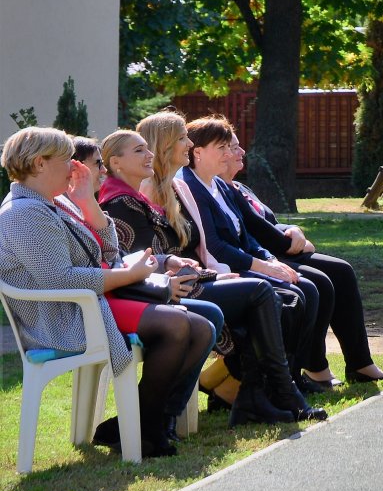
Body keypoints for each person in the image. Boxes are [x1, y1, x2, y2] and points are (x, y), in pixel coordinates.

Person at [0, 127, 214, 458]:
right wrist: (126, 275)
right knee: (178, 326)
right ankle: (146, 428)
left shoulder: (54, 203)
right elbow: (62, 280)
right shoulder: (24, 214)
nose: (74, 166)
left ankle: (141, 424)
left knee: (200, 327)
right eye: (65, 159)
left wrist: (86, 200)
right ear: (40, 164)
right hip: (65, 318)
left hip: (90, 303)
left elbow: (109, 249)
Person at [103, 119, 318, 423]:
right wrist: (214, 274)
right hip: (169, 291)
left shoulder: (167, 188)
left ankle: (258, 394)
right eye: (182, 139)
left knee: (285, 295)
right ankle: (272, 392)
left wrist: (217, 273)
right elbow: (148, 260)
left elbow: (191, 249)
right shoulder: (124, 201)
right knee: (262, 293)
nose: (188, 145)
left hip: (191, 280)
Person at [211, 130, 383, 383]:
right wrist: (294, 241)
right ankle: (316, 367)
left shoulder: (241, 186)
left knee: (342, 270)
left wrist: (294, 230)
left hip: (281, 250)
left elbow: (271, 222)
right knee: (323, 281)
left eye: (238, 147)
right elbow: (259, 233)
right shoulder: (224, 191)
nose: (240, 152)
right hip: (272, 255)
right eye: (233, 147)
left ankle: (360, 363)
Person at [180, 119, 328, 390]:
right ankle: (259, 385)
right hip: (222, 270)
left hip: (245, 261)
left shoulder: (220, 185)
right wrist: (264, 267)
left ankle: (289, 377)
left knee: (309, 288)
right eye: (222, 147)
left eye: (228, 146)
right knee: (293, 297)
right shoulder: (190, 186)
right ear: (197, 152)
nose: (229, 153)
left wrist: (270, 260)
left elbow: (245, 235)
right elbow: (214, 247)